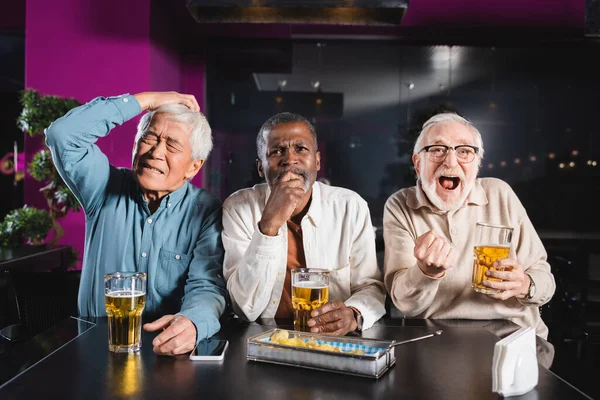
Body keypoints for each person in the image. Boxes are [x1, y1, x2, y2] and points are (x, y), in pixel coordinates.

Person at [46, 92, 227, 355]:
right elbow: (62, 135)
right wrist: (148, 100)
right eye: (149, 138)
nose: (155, 152)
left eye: (172, 146)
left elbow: (206, 284)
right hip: (95, 348)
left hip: (164, 351)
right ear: (134, 146)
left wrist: (193, 322)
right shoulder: (104, 187)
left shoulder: (206, 211)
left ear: (194, 167)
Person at [383, 113, 555, 338]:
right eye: (437, 149)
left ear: (478, 164)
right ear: (418, 163)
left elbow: (545, 280)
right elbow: (405, 304)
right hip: (435, 337)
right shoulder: (400, 205)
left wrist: (525, 284)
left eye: (464, 151)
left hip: (515, 335)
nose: (450, 161)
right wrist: (425, 272)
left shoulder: (500, 194)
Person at [222, 112, 386, 335]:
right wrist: (268, 226)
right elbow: (243, 308)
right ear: (261, 167)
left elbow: (370, 287)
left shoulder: (350, 206)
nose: (290, 159)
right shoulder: (238, 208)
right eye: (277, 151)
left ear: (317, 161)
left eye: (301, 149)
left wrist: (353, 313)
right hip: (262, 340)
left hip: (334, 343)